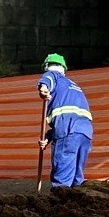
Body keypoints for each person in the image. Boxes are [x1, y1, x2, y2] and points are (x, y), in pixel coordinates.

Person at [38, 52, 93, 188]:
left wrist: (44, 89)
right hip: (85, 132)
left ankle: (59, 202)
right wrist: (48, 137)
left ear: (47, 66)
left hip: (67, 129)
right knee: (76, 176)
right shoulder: (74, 85)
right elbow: (70, 113)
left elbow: (46, 82)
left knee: (62, 174)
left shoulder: (52, 74)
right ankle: (76, 202)